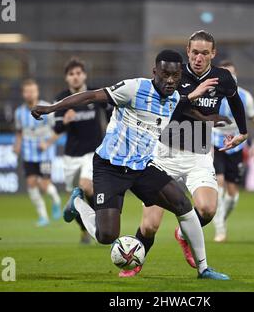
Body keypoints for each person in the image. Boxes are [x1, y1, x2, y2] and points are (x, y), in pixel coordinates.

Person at [31, 49, 236, 280]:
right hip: (110, 167)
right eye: (165, 75)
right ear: (155, 72)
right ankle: (78, 202)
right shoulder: (134, 88)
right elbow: (90, 96)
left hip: (142, 168)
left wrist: (209, 119)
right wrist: (50, 109)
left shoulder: (174, 96)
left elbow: (184, 106)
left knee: (183, 206)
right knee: (106, 236)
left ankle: (204, 269)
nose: (170, 81)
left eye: (175, 76)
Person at [125, 30, 248, 277]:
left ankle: (183, 234)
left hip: (198, 156)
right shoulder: (173, 73)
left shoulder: (223, 78)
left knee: (207, 209)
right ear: (187, 51)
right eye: (194, 52)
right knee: (149, 225)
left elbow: (235, 100)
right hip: (163, 156)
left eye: (204, 53)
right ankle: (135, 262)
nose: (198, 58)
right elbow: (164, 109)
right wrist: (193, 93)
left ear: (213, 54)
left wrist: (243, 132)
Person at [51, 58, 109, 243]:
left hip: (92, 153)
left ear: (84, 75)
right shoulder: (61, 99)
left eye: (78, 73)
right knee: (76, 199)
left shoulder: (94, 94)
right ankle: (85, 229)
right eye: (71, 74)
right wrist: (65, 121)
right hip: (71, 157)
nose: (75, 77)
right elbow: (57, 128)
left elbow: (111, 112)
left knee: (86, 187)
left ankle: (100, 226)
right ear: (66, 78)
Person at [212, 60, 254, 242]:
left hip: (236, 144)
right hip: (215, 141)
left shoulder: (245, 96)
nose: (229, 77)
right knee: (218, 184)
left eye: (232, 74)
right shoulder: (212, 94)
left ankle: (221, 219)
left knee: (233, 195)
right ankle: (220, 229)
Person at [13, 79, 62, 227]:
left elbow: (58, 130)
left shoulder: (47, 108)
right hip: (29, 154)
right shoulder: (19, 112)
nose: (30, 94)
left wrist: (47, 143)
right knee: (31, 183)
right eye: (27, 91)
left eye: (32, 91)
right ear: (23, 93)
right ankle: (43, 217)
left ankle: (56, 201)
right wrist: (17, 145)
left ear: (37, 92)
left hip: (45, 154)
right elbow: (20, 132)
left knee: (44, 185)